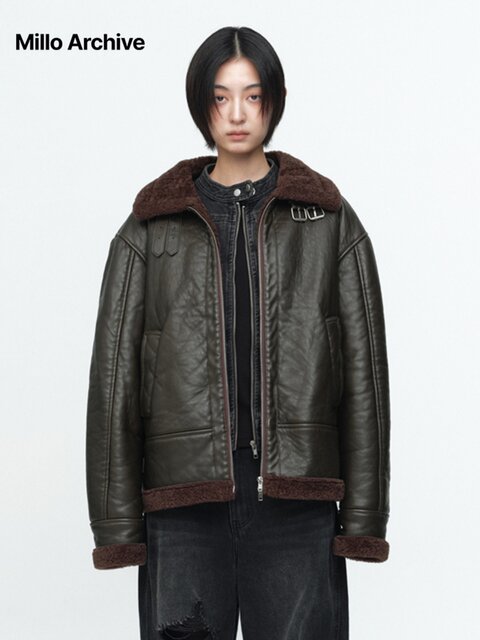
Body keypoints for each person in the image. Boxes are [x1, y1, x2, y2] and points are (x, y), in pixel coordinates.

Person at [85, 25, 391, 640]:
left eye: (253, 96)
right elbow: (113, 383)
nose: (237, 114)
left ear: (275, 101)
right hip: (182, 506)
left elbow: (365, 379)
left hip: (297, 505)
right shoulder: (150, 228)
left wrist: (364, 515)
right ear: (201, 104)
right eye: (221, 97)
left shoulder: (328, 221)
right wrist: (117, 524)